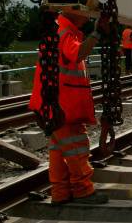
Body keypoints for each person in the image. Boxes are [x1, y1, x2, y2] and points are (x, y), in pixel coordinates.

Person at [29, 11, 110, 204]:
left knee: (58, 151)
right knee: (77, 148)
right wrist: (97, 33)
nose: (89, 17)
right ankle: (83, 190)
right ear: (74, 12)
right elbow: (78, 53)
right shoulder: (64, 33)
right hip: (62, 108)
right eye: (86, 12)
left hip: (57, 106)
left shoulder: (62, 31)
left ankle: (60, 193)